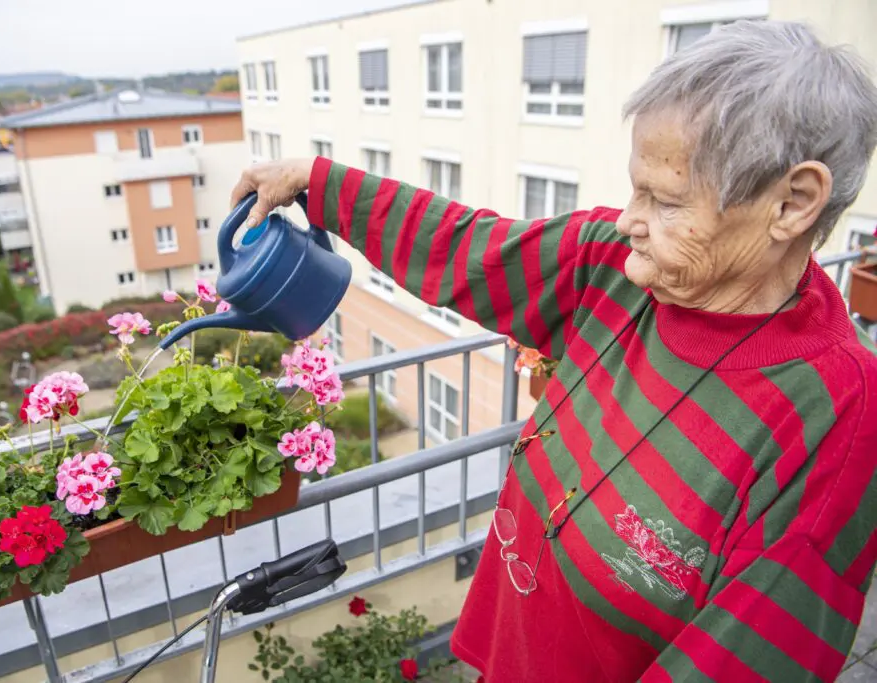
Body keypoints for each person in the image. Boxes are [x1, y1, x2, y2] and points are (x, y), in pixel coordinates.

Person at [230, 20, 877, 683]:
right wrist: (314, 180)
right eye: (636, 188)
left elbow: (743, 663)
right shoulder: (616, 264)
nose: (630, 219)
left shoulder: (838, 415)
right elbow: (467, 249)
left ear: (794, 203)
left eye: (667, 199)